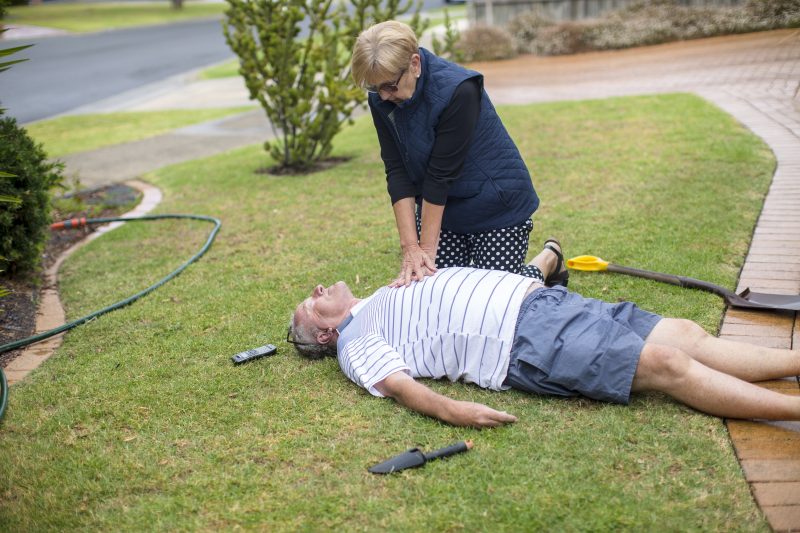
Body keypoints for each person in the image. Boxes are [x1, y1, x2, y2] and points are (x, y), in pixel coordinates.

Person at [288, 241, 800, 428]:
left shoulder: (378, 297)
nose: (316, 289)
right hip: (524, 342)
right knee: (668, 365)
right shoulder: (355, 341)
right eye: (311, 304)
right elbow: (397, 383)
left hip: (542, 302)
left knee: (687, 334)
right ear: (326, 333)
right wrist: (454, 410)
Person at [351, 21, 561, 288]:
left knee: (492, 296)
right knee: (434, 291)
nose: (382, 95)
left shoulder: (458, 90)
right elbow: (396, 169)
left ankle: (548, 259)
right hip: (444, 208)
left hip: (495, 204)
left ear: (414, 64)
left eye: (390, 86)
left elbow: (440, 175)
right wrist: (410, 249)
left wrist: (425, 252)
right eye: (374, 87)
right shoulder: (382, 97)